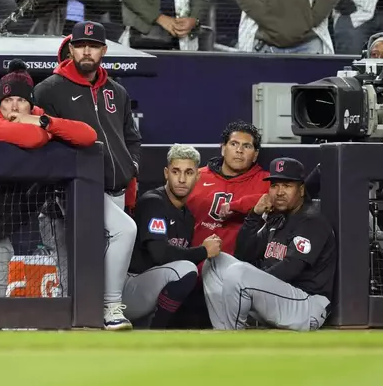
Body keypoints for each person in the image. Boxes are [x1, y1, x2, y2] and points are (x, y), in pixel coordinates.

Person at [0, 59, 97, 298]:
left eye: (21, 100)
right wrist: (41, 131)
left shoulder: (38, 117)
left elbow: (88, 136)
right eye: (8, 100)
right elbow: (32, 139)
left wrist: (44, 122)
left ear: (31, 105)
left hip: (0, 238)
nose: (14, 107)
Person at [34, 20, 142, 330]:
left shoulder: (116, 91)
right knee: (120, 235)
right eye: (81, 45)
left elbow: (130, 137)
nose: (86, 51)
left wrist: (131, 167)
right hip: (76, 189)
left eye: (93, 46)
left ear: (103, 51)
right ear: (70, 48)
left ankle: (97, 321)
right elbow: (40, 139)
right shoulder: (49, 89)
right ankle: (109, 308)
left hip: (115, 189)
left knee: (107, 250)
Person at [202, 158, 336, 331]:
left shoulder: (311, 221)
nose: (279, 192)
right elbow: (244, 254)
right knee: (214, 262)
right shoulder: (277, 218)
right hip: (278, 296)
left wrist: (254, 279)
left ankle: (232, 339)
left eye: (287, 186)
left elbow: (292, 268)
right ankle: (224, 331)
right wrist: (254, 216)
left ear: (301, 189)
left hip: (307, 305)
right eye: (274, 186)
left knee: (239, 273)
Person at [124, 144, 222, 328]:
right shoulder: (154, 202)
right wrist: (203, 251)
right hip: (129, 286)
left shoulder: (188, 216)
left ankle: (149, 326)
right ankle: (156, 330)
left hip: (149, 288)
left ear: (198, 176)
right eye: (176, 172)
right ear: (166, 173)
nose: (182, 179)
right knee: (186, 269)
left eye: (189, 172)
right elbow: (159, 254)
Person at [187, 121, 270, 256]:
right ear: (223, 148)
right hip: (195, 259)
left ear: (255, 155)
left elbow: (275, 199)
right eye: (233, 144)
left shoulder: (267, 181)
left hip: (239, 265)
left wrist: (236, 206)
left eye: (247, 146)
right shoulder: (197, 177)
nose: (239, 150)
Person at [235, 0, 338, 54]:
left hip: (309, 42)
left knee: (314, 90)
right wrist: (270, 20)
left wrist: (311, 19)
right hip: (262, 44)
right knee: (259, 91)